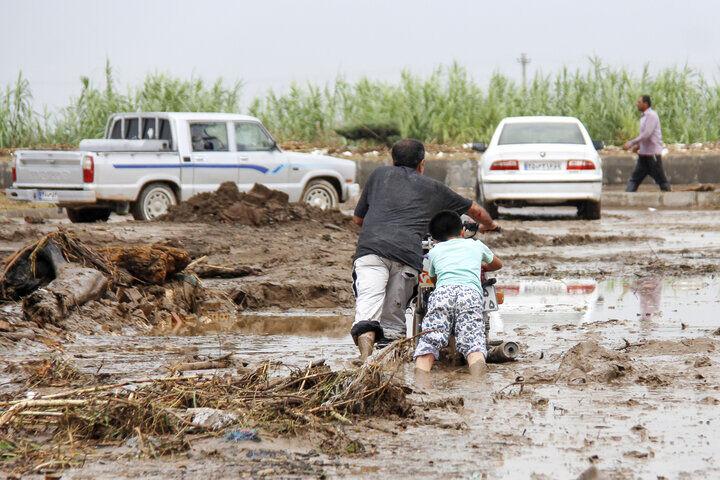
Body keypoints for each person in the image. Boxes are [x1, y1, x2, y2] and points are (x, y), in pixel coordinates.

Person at [351, 139, 499, 362]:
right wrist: (490, 225)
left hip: (371, 252)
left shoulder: (378, 175)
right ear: (422, 164)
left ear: (392, 162)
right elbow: (476, 210)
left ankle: (364, 360)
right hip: (407, 258)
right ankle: (391, 368)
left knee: (368, 306)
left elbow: (357, 219)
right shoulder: (434, 188)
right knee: (393, 321)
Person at [413, 210, 502, 377]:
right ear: (462, 230)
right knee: (474, 345)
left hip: (443, 293)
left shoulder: (434, 251)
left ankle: (420, 385)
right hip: (469, 294)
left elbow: (433, 278)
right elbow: (497, 264)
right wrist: (482, 267)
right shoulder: (476, 244)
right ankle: (478, 386)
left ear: (436, 238)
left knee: (428, 344)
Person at [622, 95, 671, 192]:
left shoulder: (652, 115)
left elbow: (647, 134)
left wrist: (631, 143)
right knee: (635, 178)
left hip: (652, 154)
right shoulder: (643, 117)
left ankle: (669, 196)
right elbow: (644, 136)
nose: (637, 104)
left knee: (661, 178)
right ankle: (628, 194)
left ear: (645, 104)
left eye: (639, 102)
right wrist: (638, 146)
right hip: (644, 153)